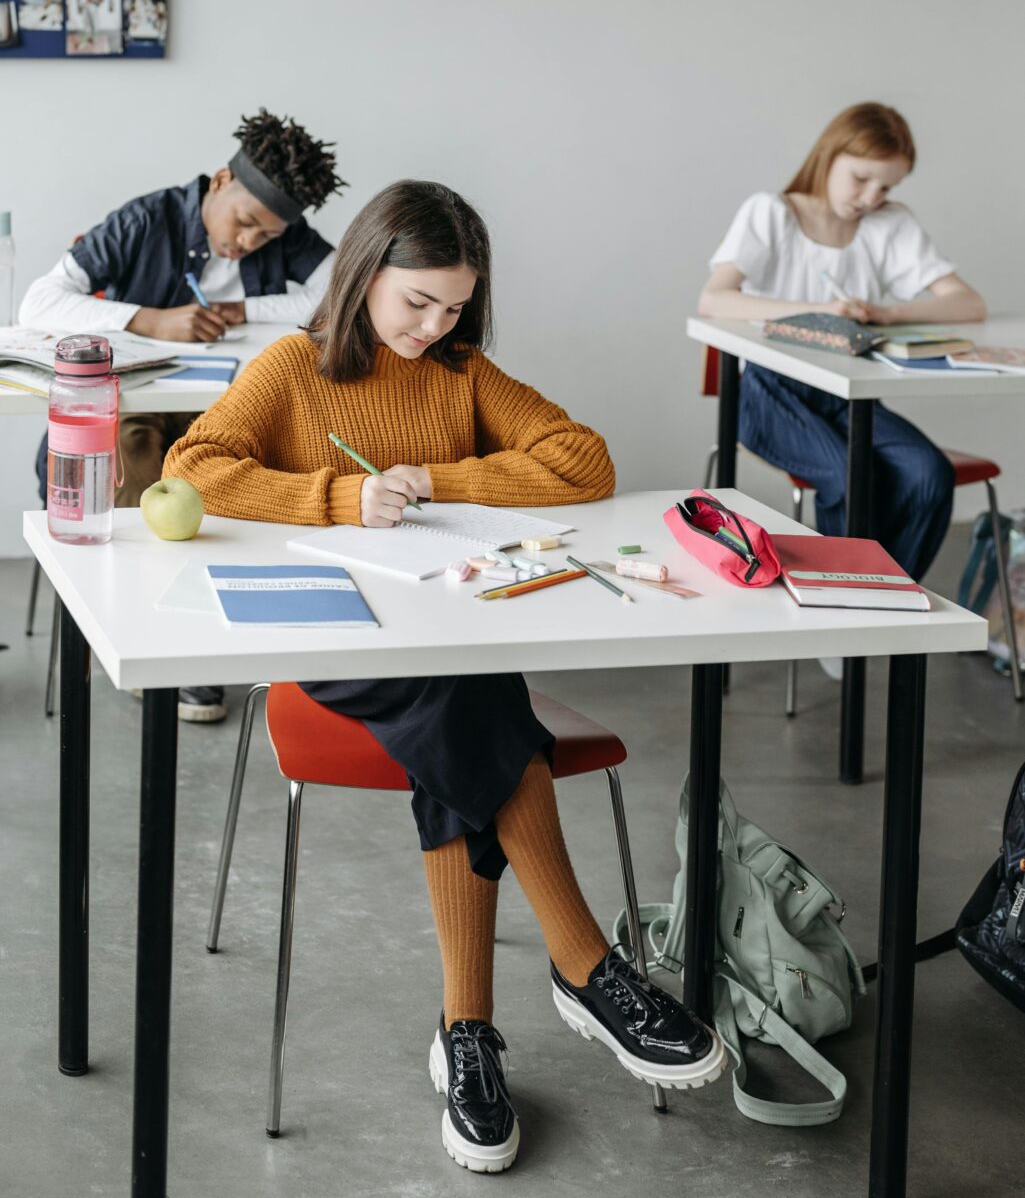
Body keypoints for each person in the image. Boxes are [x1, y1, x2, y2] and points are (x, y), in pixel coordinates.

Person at [163, 180, 726, 1172]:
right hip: (334, 648)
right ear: (363, 276)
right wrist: (338, 497)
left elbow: (580, 461)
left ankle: (468, 1032)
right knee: (472, 696)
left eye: (456, 307)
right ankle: (583, 965)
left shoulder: (460, 371)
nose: (435, 326)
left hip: (436, 649)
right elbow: (197, 464)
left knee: (460, 696)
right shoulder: (294, 366)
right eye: (416, 302)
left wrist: (431, 480)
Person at [20, 109, 345, 722]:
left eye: (266, 238)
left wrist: (243, 309)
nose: (248, 242)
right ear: (221, 180)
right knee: (140, 463)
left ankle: (221, 635)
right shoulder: (147, 218)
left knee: (241, 466)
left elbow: (343, 294)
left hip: (215, 410)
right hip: (132, 409)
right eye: (245, 223)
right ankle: (157, 642)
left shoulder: (284, 232)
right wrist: (146, 319)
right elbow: (37, 303)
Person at [699, 101, 986, 603]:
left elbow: (969, 303)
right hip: (769, 392)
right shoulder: (773, 212)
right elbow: (714, 298)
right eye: (860, 179)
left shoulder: (890, 224)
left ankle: (877, 600)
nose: (871, 197)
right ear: (829, 156)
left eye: (887, 187)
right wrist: (820, 310)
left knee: (929, 472)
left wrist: (884, 313)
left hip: (847, 396)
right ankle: (840, 605)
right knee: (849, 473)